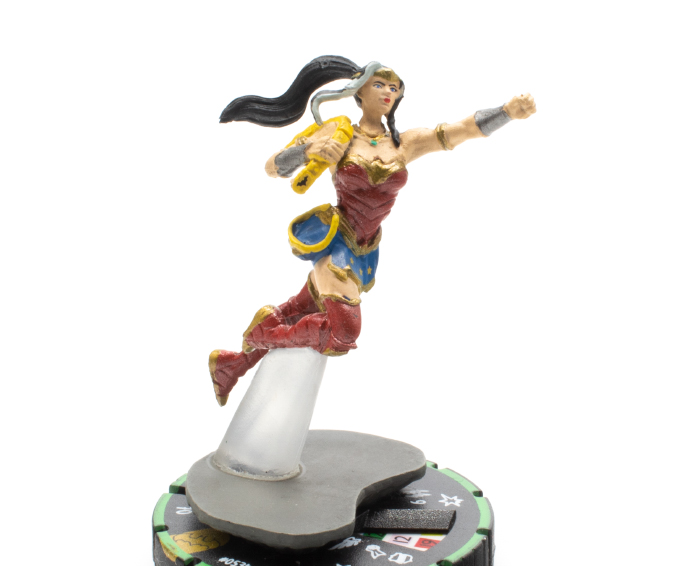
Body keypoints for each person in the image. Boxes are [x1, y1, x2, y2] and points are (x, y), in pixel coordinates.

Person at [209, 55, 536, 405]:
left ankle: (232, 363)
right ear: (359, 92)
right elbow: (272, 167)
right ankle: (260, 335)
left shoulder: (404, 143)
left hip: (367, 251)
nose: (387, 92)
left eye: (394, 87)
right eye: (379, 84)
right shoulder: (339, 134)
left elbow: (461, 130)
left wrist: (506, 112)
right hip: (337, 244)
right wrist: (309, 150)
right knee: (342, 334)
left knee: (302, 309)